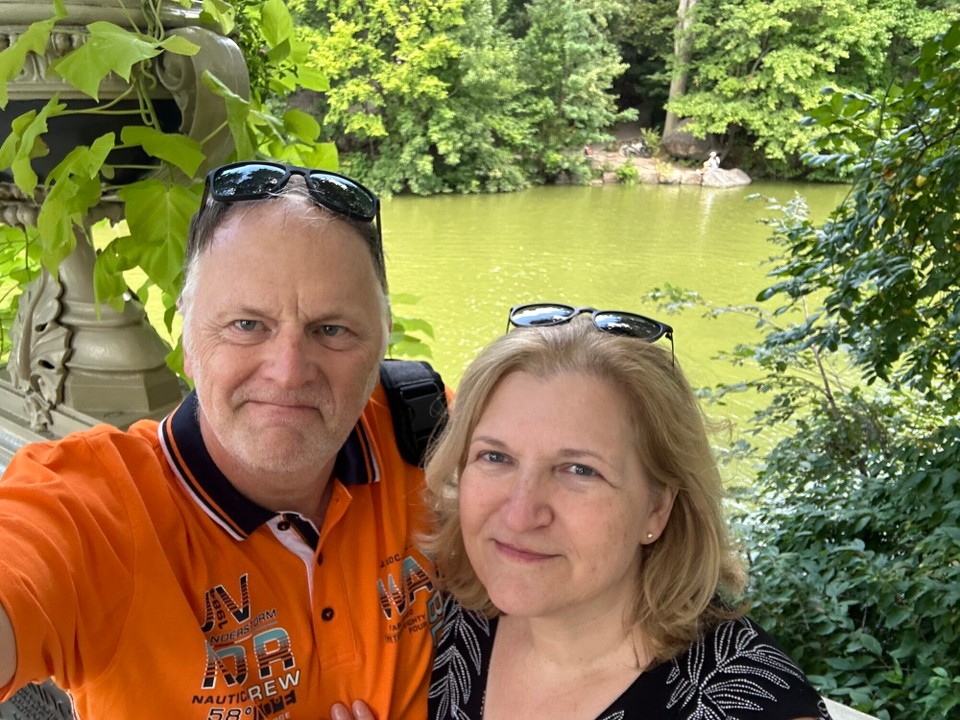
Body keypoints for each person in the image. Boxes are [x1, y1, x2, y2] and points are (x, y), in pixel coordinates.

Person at [0, 161, 443, 719]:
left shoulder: (432, 433)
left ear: (381, 341)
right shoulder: (102, 505)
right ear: (186, 337)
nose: (287, 372)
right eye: (246, 325)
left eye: (331, 330)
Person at [420, 303, 832, 720]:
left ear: (657, 507)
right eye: (495, 457)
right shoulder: (445, 624)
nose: (520, 514)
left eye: (580, 470)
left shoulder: (742, 703)